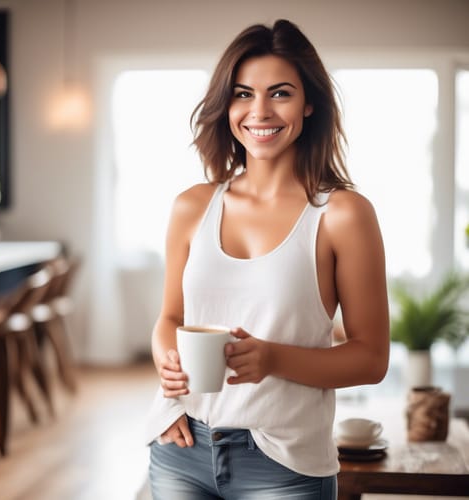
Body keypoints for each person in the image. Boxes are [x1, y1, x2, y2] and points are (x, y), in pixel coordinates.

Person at [145, 19, 390, 500]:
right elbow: (170, 317)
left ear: (309, 103)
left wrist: (272, 358)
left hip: (284, 461)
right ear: (226, 105)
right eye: (242, 94)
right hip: (181, 445)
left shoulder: (342, 215)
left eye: (280, 93)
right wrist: (166, 364)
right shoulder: (192, 206)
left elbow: (372, 357)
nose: (259, 111)